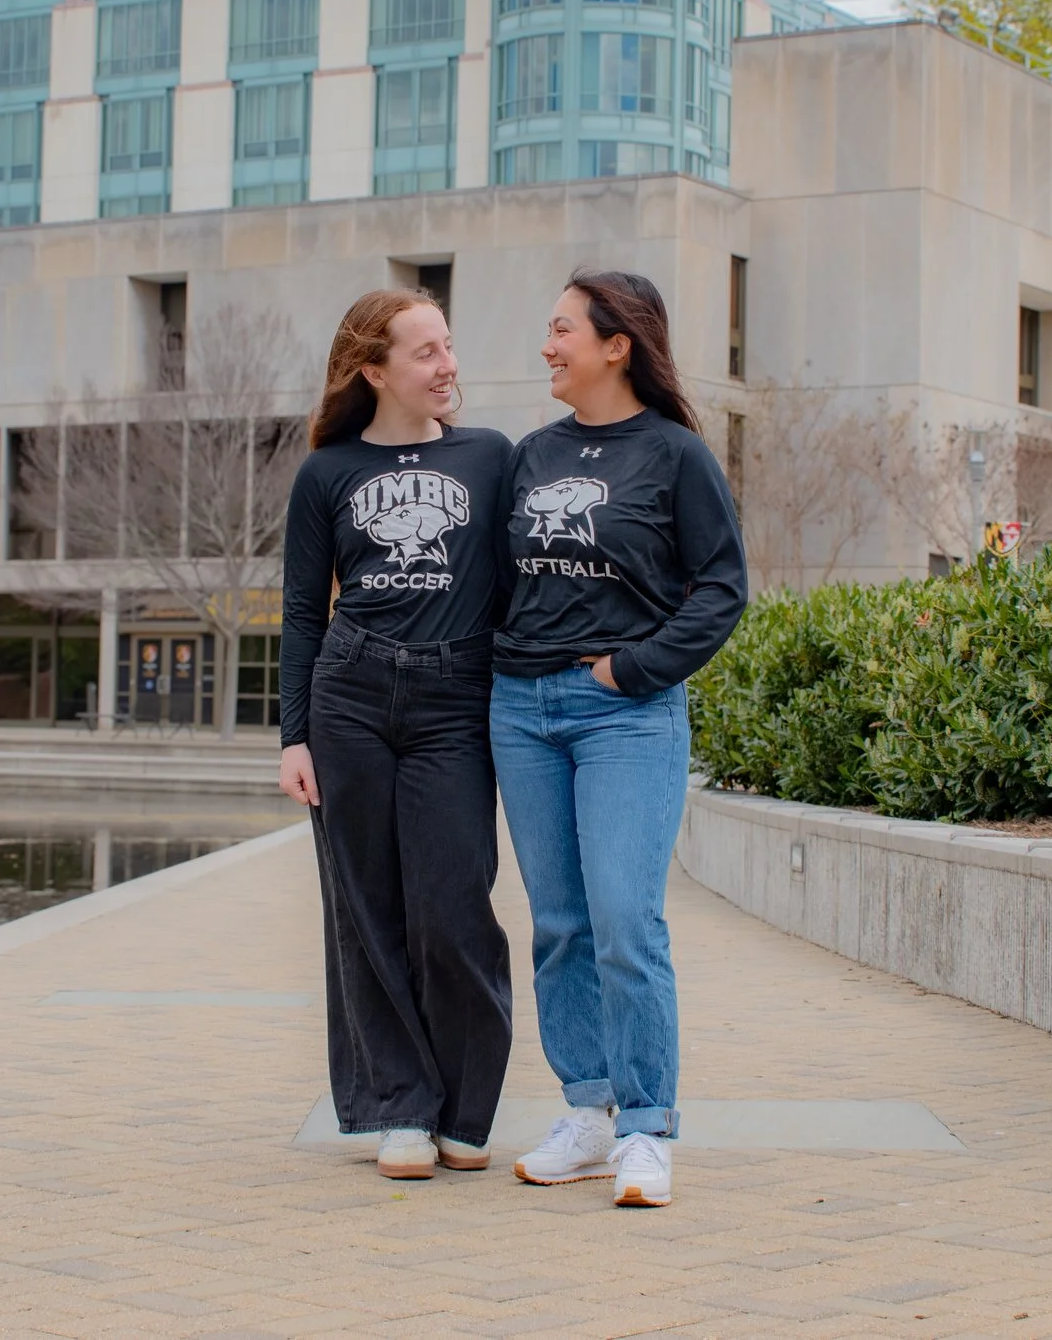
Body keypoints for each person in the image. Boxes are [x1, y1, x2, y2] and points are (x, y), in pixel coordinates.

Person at [491, 270, 749, 1209]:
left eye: (561, 329)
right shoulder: (529, 455)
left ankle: (646, 1128)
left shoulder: (675, 455)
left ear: (616, 344)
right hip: (521, 710)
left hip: (625, 716)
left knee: (625, 923)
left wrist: (635, 668)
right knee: (559, 924)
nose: (547, 345)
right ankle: (588, 1113)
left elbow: (722, 587)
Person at [280, 288, 516, 1182]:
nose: (447, 364)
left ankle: (465, 1105)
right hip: (351, 697)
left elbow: (521, 582)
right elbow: (304, 611)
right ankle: (400, 1109)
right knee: (367, 910)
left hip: (456, 699)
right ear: (376, 370)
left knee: (456, 909)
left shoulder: (492, 458)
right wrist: (293, 737)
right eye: (427, 352)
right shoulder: (326, 472)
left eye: (449, 345)